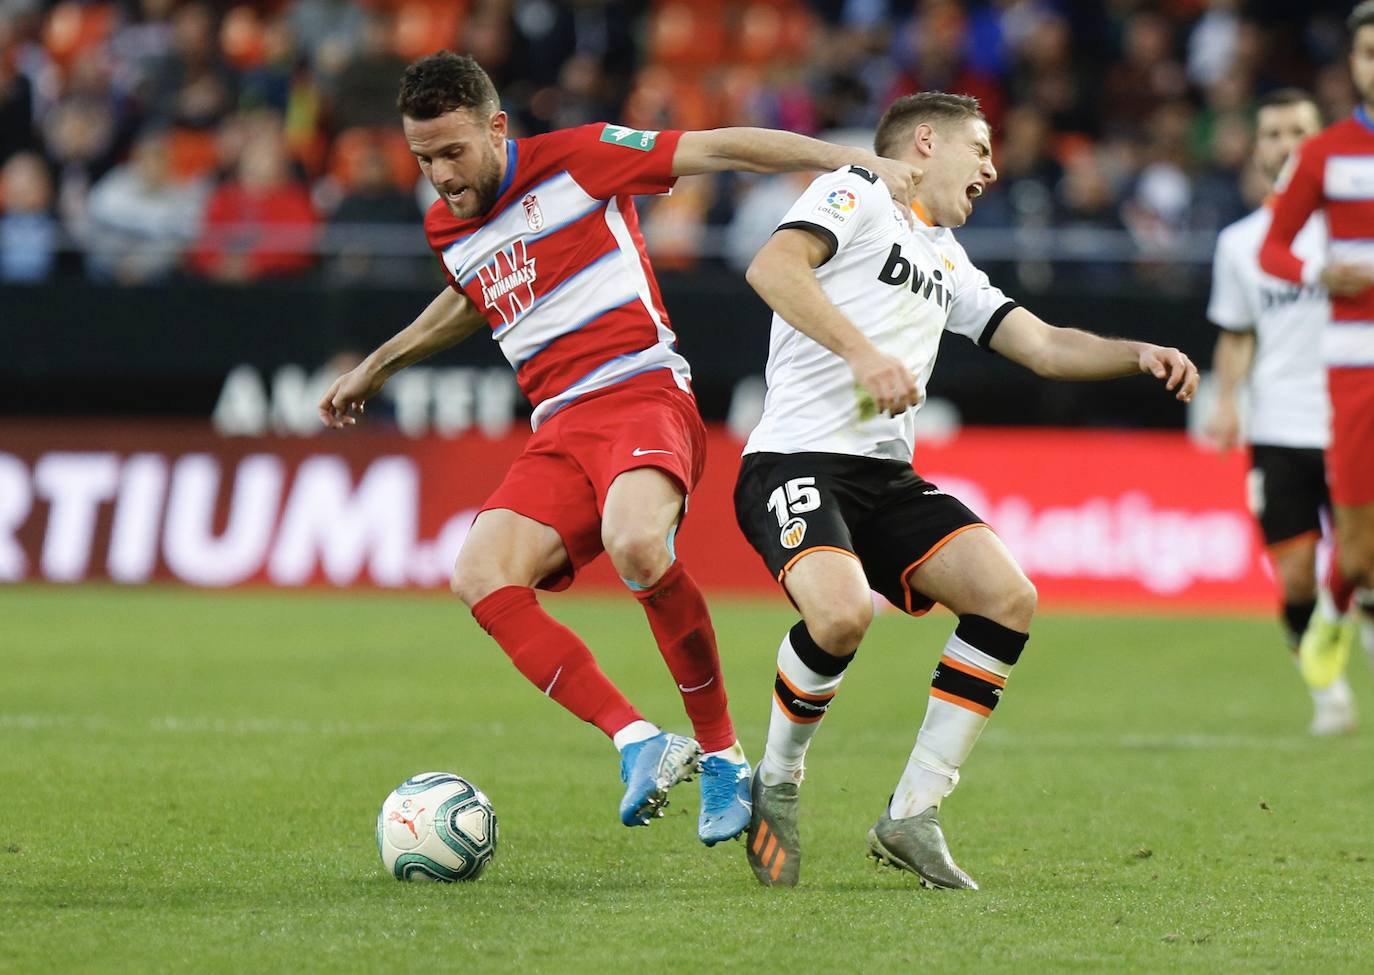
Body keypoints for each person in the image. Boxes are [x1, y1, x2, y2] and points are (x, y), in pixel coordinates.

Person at [317, 51, 923, 845]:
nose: (439, 173)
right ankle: (639, 739)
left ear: (497, 127)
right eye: (424, 157)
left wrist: (855, 159)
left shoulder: (580, 158)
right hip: (558, 426)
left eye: (453, 151)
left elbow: (724, 146)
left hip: (641, 391)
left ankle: (722, 754)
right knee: (477, 572)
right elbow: (477, 292)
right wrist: (378, 362)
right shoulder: (445, 223)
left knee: (636, 538)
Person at [735, 91, 1197, 889]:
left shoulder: (947, 256)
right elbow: (771, 266)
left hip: (885, 474)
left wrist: (1138, 352)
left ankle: (912, 812)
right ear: (924, 141)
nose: (991, 166)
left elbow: (1046, 346)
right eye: (979, 148)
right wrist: (862, 353)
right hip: (794, 458)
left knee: (1007, 595)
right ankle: (775, 779)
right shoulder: (855, 189)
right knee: (841, 613)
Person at [1206, 88, 1356, 735]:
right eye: (1272, 134)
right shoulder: (1240, 243)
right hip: (1279, 425)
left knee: (1363, 560)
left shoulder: (1354, 227)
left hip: (1352, 415)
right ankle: (1329, 692)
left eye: (1300, 131)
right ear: (1257, 148)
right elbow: (1238, 331)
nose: (1287, 144)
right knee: (1297, 575)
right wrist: (1227, 399)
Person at [1260, 2, 1374, 688]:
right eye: (1369, 53)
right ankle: (1335, 608)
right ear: (1354, 65)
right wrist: (1319, 271)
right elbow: (1274, 247)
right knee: (1358, 548)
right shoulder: (1326, 154)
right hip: (1356, 363)